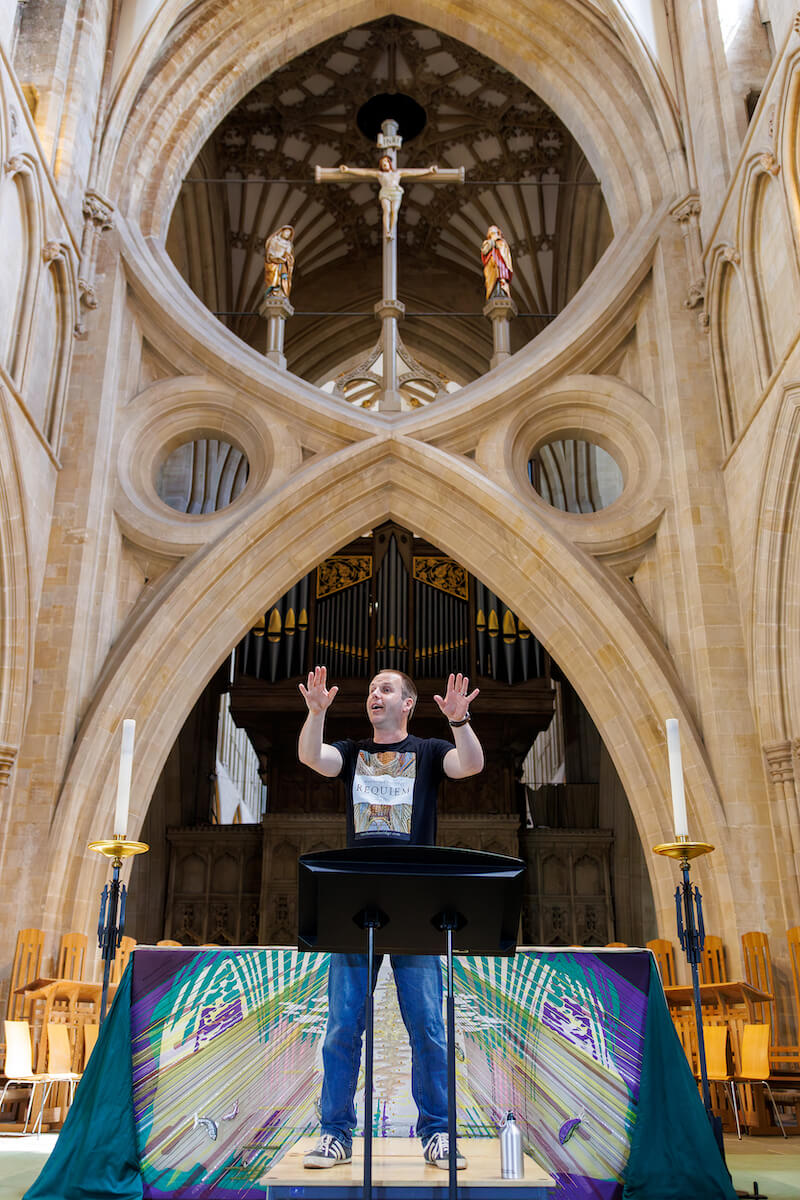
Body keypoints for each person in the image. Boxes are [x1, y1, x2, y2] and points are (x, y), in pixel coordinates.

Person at [298, 665, 484, 1170]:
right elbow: (313, 757)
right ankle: (335, 1135)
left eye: (386, 689)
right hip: (355, 902)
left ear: (407, 704)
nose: (373, 695)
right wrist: (315, 713)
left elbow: (470, 765)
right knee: (343, 1026)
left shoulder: (427, 751)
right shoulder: (354, 751)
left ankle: (438, 1133)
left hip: (415, 902)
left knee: (427, 1026)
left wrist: (460, 722)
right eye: (371, 689)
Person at [481, 224, 513, 300]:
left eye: (494, 231)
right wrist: (492, 242)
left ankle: (502, 292)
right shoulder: (487, 242)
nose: (493, 233)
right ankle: (493, 294)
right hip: (491, 268)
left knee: (501, 281)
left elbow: (504, 252)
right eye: (491, 232)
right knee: (492, 283)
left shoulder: (502, 242)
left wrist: (497, 242)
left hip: (501, 265)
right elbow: (484, 251)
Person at [264, 225, 295, 297]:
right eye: (286, 232)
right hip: (273, 264)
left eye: (289, 234)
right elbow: (270, 253)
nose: (287, 234)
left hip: (283, 263)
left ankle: (283, 292)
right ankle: (273, 291)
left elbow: (288, 255)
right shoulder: (274, 240)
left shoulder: (289, 244)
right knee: (274, 278)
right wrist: (276, 258)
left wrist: (287, 258)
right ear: (282, 231)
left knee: (284, 277)